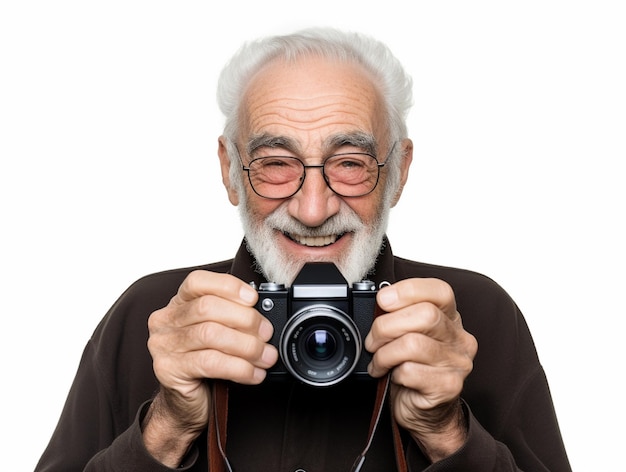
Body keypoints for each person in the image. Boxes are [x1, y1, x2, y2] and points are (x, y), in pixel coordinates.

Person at [36, 28, 571, 471]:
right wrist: (166, 427)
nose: (313, 208)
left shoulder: (476, 316)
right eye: (275, 162)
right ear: (230, 171)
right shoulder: (149, 315)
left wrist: (447, 432)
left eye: (350, 163)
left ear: (399, 173)